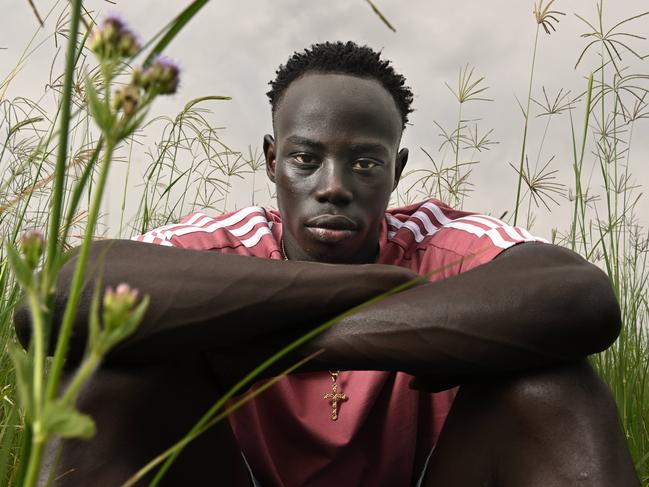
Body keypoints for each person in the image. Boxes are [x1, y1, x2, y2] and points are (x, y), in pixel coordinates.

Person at [15, 41, 639, 486]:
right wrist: (371, 286)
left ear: (397, 170)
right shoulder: (227, 244)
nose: (334, 186)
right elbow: (57, 297)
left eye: (365, 163)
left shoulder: (441, 239)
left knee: (552, 387)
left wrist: (303, 342)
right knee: (111, 377)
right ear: (271, 160)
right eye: (305, 159)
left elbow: (580, 297)